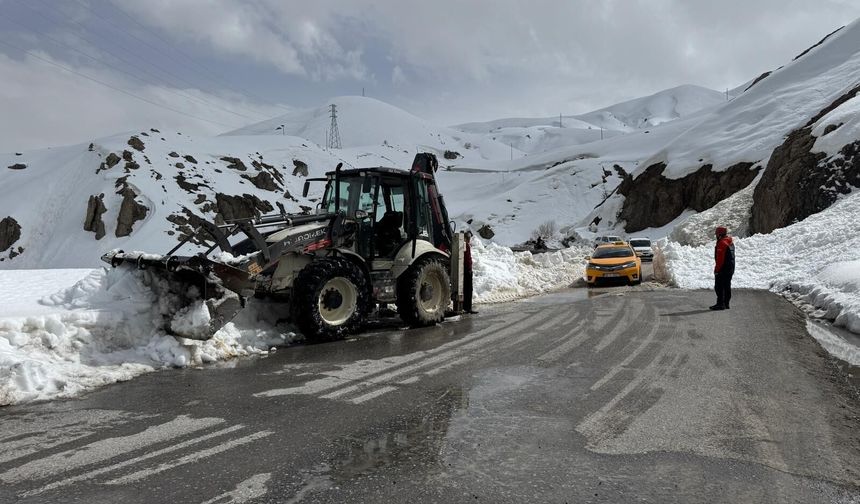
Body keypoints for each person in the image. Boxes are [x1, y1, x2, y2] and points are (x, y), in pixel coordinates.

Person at [710, 226, 735, 310]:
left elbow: (720, 260)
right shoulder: (729, 241)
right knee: (727, 286)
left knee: (719, 286)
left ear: (720, 234)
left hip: (723, 269)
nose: (716, 236)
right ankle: (726, 303)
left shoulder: (722, 243)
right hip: (730, 267)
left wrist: (717, 270)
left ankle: (720, 304)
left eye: (717, 234)